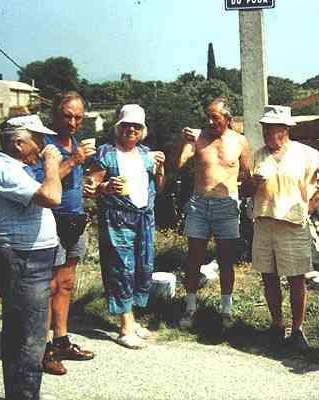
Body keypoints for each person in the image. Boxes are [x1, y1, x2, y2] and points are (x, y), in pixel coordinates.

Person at [0, 115, 62, 400]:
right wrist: (52, 164)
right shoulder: (4, 171)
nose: (43, 146)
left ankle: (27, 394)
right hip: (22, 261)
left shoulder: (14, 167)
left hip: (30, 260)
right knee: (27, 338)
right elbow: (52, 196)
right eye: (38, 140)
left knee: (28, 334)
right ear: (18, 143)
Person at [250, 105, 319, 350]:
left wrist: (316, 199)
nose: (266, 132)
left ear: (285, 129)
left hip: (293, 224)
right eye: (264, 127)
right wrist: (252, 184)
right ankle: (277, 326)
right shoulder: (258, 155)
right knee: (268, 276)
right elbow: (247, 189)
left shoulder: (305, 153)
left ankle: (298, 330)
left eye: (272, 127)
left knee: (296, 279)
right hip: (264, 220)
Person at [86, 104, 166, 349]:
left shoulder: (145, 154)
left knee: (141, 268)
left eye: (137, 126)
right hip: (117, 218)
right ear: (118, 127)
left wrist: (161, 170)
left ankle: (131, 319)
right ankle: (125, 327)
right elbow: (90, 187)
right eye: (127, 125)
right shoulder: (106, 153)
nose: (131, 129)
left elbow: (159, 187)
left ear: (142, 130)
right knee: (121, 268)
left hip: (143, 218)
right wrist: (106, 187)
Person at [28, 92, 96, 375]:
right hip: (51, 221)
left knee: (66, 283)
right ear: (56, 115)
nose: (73, 121)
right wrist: (75, 161)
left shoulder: (76, 143)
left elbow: (72, 183)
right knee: (49, 286)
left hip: (75, 220)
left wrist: (89, 186)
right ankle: (42, 350)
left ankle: (62, 340)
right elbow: (41, 182)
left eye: (78, 117)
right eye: (67, 115)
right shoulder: (46, 146)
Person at [173, 97, 251, 330]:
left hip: (226, 206)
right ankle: (190, 309)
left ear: (228, 119)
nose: (209, 121)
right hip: (199, 204)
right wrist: (182, 142)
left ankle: (226, 311)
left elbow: (246, 173)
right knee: (194, 258)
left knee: (226, 261)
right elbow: (178, 163)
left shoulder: (240, 141)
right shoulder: (198, 137)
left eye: (215, 117)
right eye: (207, 117)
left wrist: (244, 198)